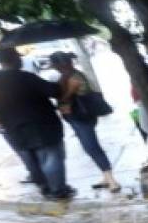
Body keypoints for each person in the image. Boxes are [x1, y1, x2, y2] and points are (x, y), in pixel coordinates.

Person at [0, 45, 73, 199]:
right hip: (42, 126)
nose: (20, 58)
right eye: (17, 55)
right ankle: (58, 190)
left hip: (13, 129)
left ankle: (45, 188)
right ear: (15, 58)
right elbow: (56, 92)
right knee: (51, 157)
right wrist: (64, 76)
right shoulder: (26, 77)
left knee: (31, 160)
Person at [50, 51, 121, 192]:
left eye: (57, 65)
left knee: (92, 146)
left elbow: (72, 97)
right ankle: (106, 177)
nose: (57, 67)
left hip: (82, 117)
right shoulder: (65, 77)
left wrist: (69, 92)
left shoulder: (75, 77)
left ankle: (111, 179)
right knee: (88, 147)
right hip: (74, 117)